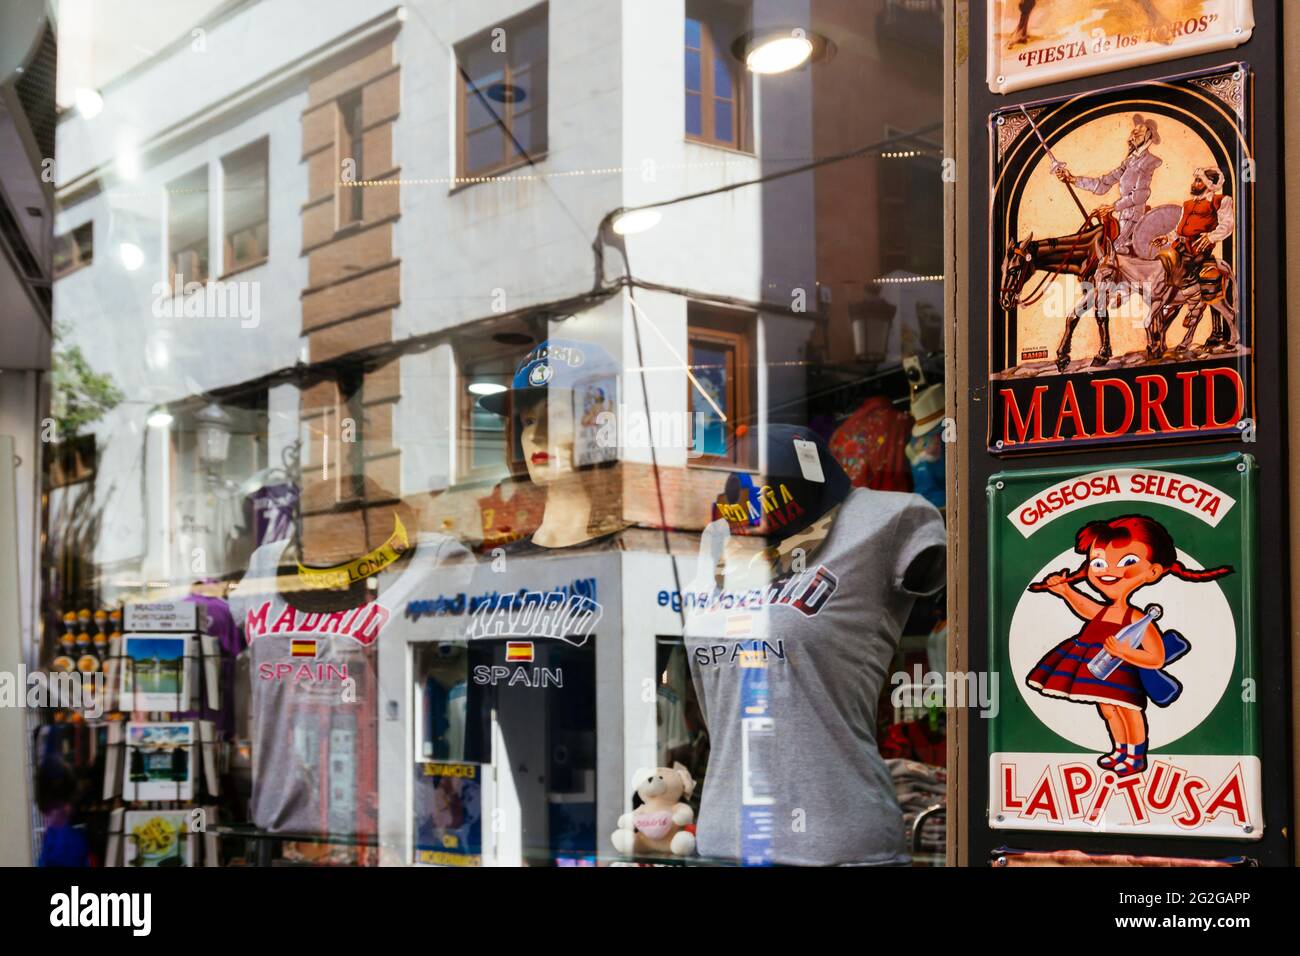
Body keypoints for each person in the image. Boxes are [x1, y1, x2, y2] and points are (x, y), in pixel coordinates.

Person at [1025, 515, 1232, 777]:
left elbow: (1156, 658)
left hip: (1122, 673)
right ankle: (1119, 749)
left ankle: (1135, 755)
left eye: (1128, 562)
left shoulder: (1136, 618)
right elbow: (1087, 608)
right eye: (1098, 562)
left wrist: (1124, 651)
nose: (1108, 571)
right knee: (1108, 710)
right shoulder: (1107, 610)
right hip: (1097, 668)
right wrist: (1066, 591)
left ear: (1153, 571)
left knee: (1128, 711)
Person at [1152, 166, 1236, 349]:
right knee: (1160, 265)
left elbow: (1227, 224)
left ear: (1209, 185)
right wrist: (1167, 237)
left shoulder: (1220, 201)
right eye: (1195, 180)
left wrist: (1211, 237)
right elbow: (1179, 229)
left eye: (1199, 181)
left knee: (1185, 270)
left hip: (1198, 250)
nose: (1194, 183)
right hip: (1180, 247)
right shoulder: (1187, 204)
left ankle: (1194, 307)